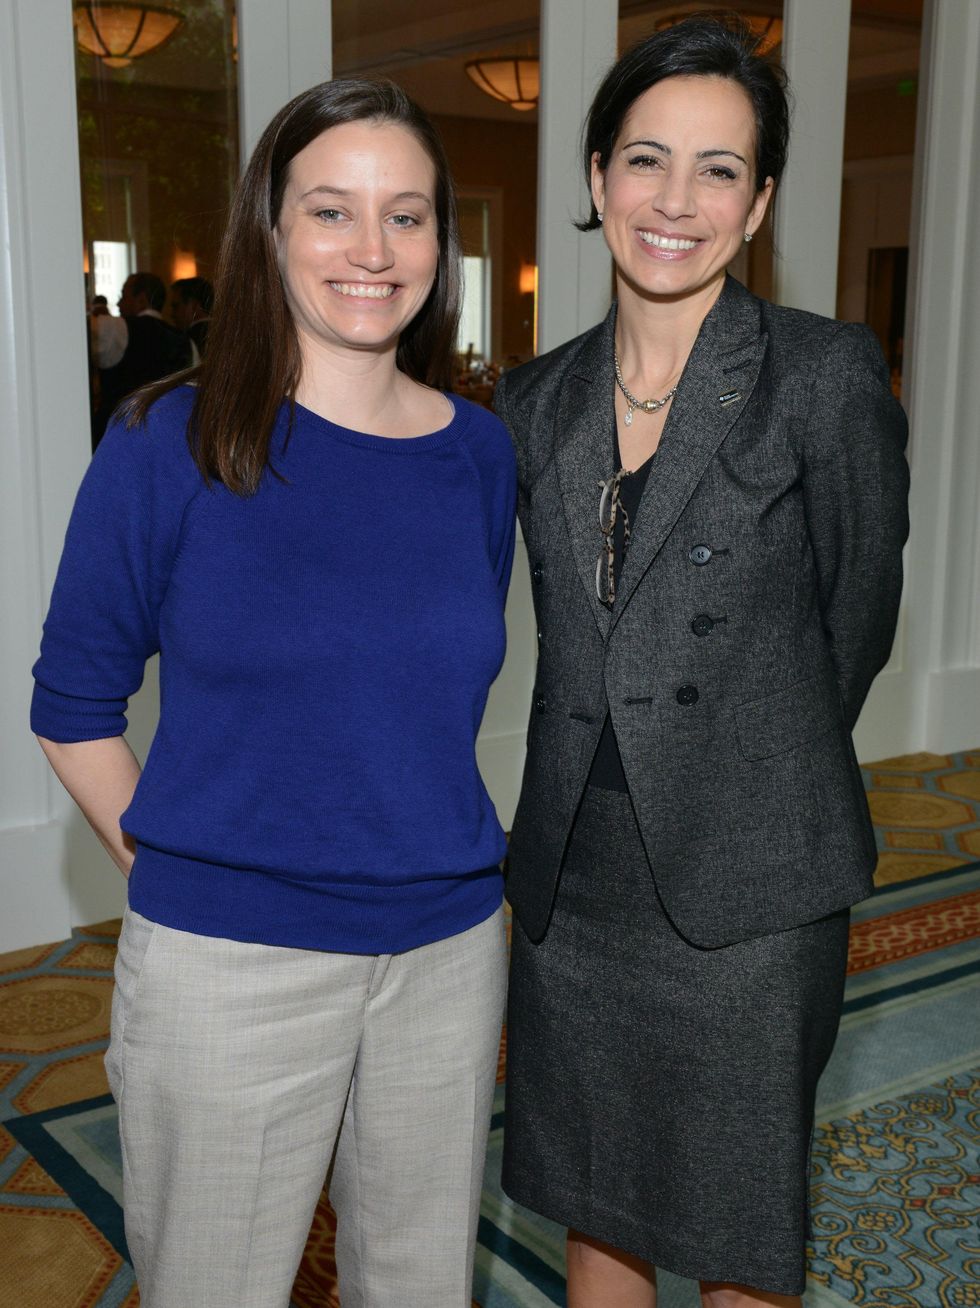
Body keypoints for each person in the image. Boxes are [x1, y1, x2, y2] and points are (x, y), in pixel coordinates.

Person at [32, 77, 515, 1308]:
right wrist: (183, 876)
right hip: (229, 963)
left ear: (437, 245)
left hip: (447, 954)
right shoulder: (168, 442)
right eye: (331, 211)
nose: (371, 250)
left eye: (405, 217)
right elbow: (72, 705)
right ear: (269, 229)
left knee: (419, 1285)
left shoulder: (478, 453)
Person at [493, 16, 909, 1308]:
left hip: (753, 883)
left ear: (762, 198)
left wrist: (745, 753)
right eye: (646, 159)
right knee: (594, 1202)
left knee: (738, 1234)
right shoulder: (533, 398)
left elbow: (859, 618)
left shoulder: (825, 377)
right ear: (598, 174)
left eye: (719, 169)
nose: (676, 201)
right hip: (576, 879)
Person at [90, 271, 192, 447]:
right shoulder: (186, 342)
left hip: (119, 438)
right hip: (168, 440)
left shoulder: (116, 329)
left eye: (123, 295)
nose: (119, 303)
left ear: (142, 299)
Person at [169, 275, 214, 360]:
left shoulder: (183, 342)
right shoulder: (229, 333)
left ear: (194, 306)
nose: (172, 314)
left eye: (176, 306)